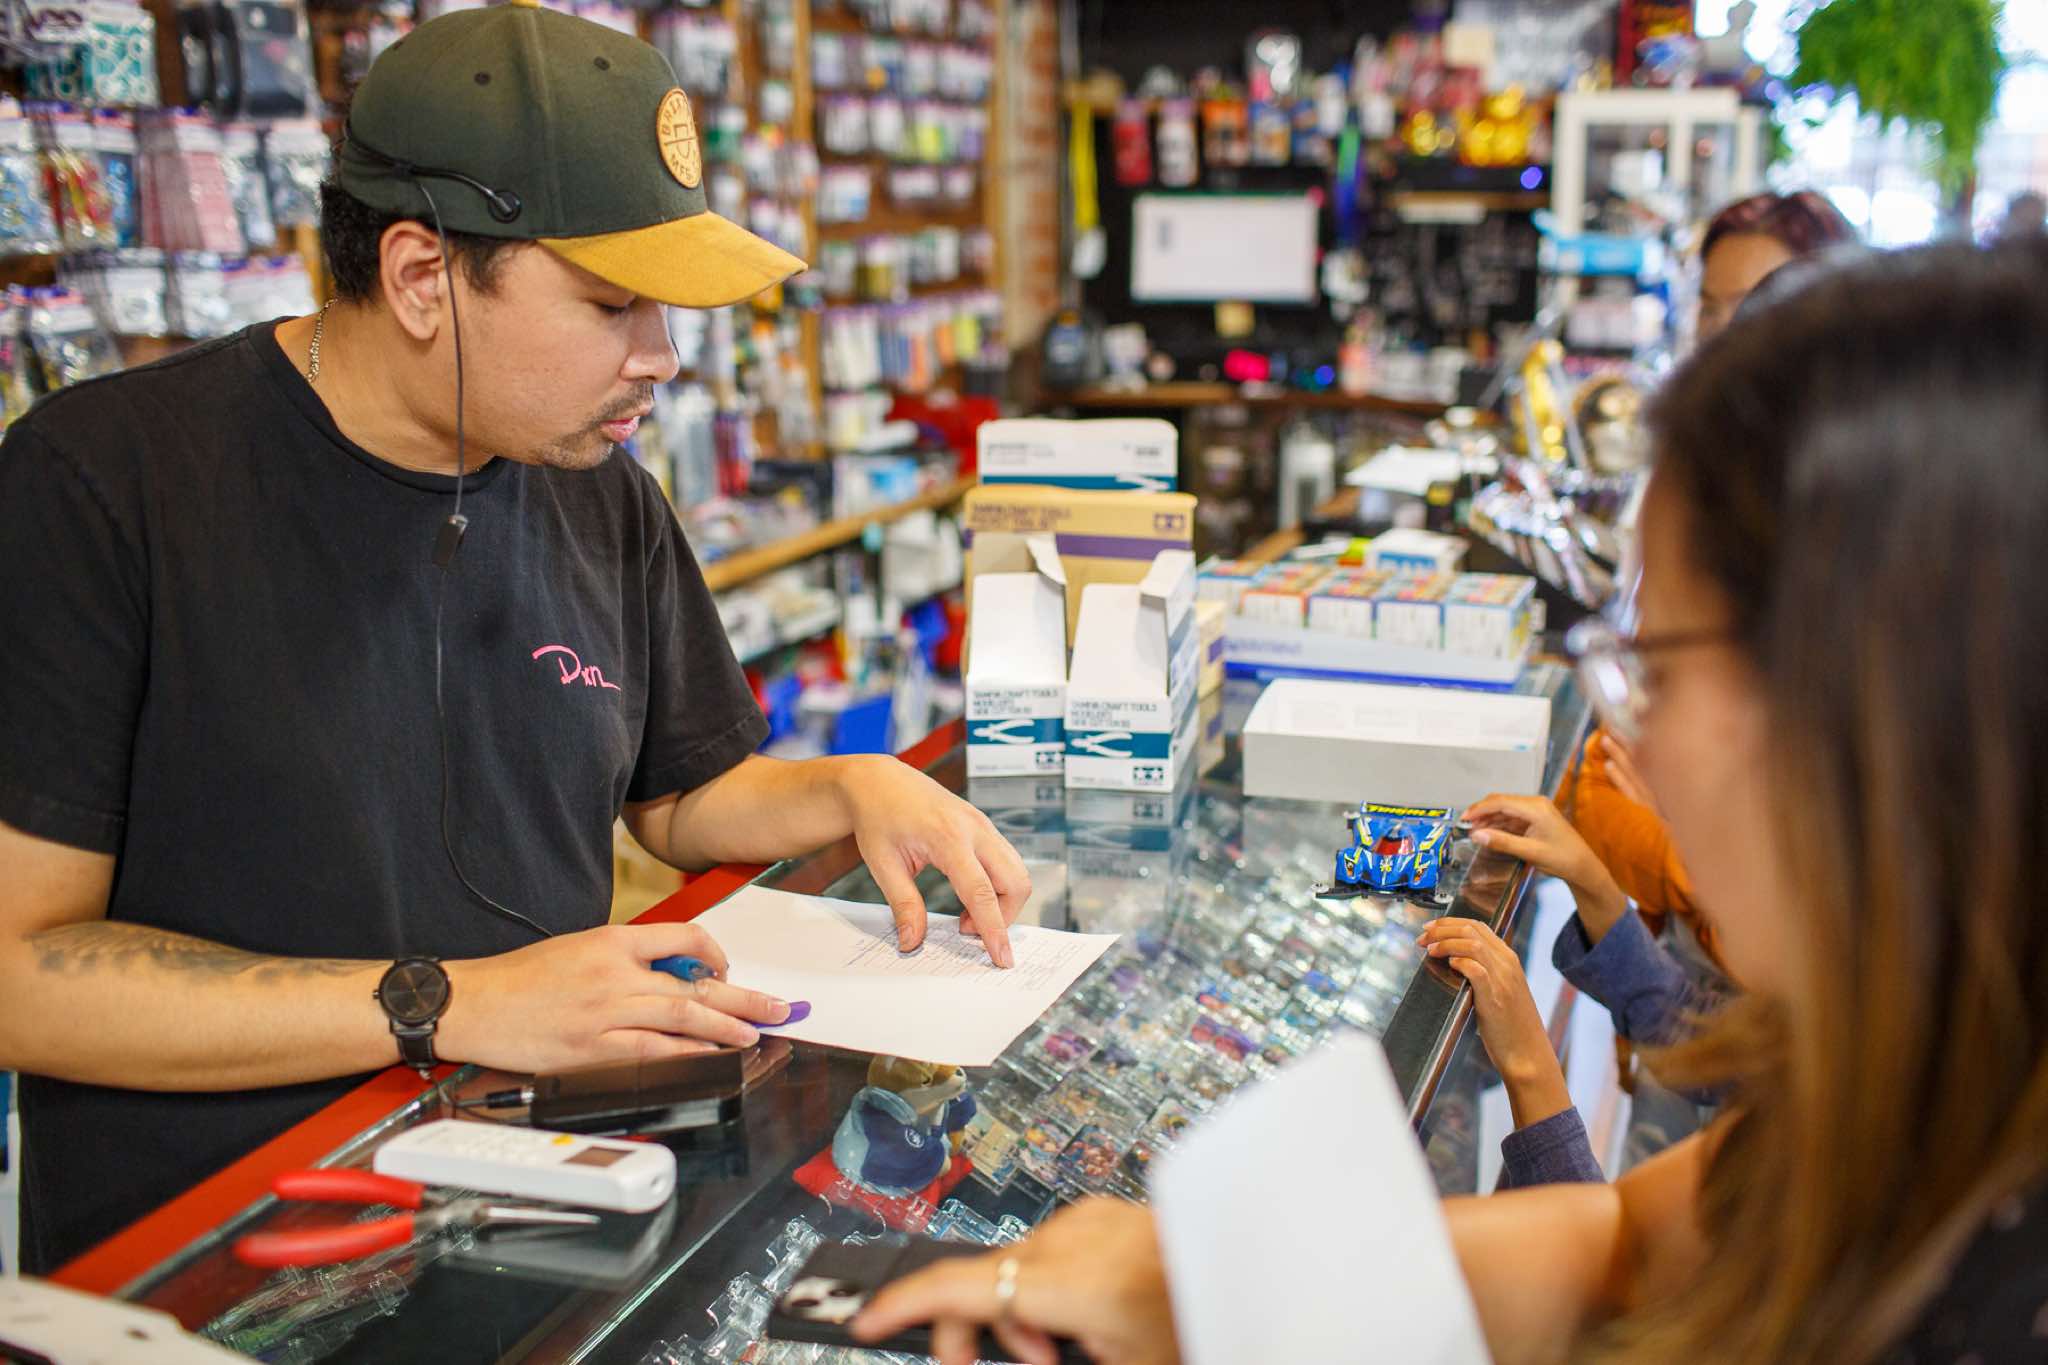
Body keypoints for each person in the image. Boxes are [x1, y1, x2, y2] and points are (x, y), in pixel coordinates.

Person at [852, 239, 2048, 1364]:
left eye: (1657, 666)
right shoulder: (1920, 1077)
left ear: (1870, 704)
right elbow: (1631, 1243)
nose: (1629, 735)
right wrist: (1180, 1286)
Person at [0, 1, 1031, 1273]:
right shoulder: (103, 482)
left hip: (533, 1214)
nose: (661, 357)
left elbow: (678, 793)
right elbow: (20, 975)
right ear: (421, 277)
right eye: (612, 305)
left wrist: (850, 787)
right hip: (215, 1262)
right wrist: (449, 1003)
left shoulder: (595, 485)